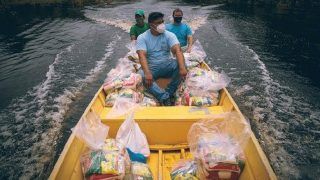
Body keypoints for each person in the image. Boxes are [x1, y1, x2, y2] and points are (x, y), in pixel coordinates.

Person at [136, 12, 188, 106]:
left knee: (182, 64)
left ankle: (170, 91)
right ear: (151, 25)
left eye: (162, 22)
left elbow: (177, 50)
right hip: (152, 67)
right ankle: (164, 97)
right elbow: (141, 55)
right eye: (158, 23)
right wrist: (147, 73)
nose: (162, 25)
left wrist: (182, 68)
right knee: (141, 75)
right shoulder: (142, 37)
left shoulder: (169, 35)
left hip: (167, 64)